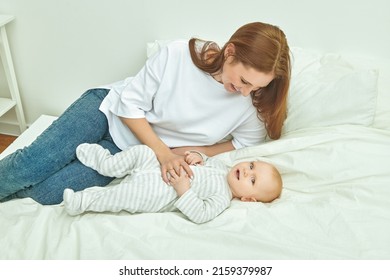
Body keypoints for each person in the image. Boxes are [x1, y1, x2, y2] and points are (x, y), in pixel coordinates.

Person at [0, 21, 291, 205]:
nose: (244, 92)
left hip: (129, 154)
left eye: (254, 87)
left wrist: (195, 151)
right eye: (243, 80)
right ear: (230, 52)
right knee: (32, 166)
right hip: (106, 112)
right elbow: (128, 105)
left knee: (48, 193)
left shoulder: (249, 107)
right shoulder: (177, 55)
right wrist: (163, 152)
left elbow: (242, 144)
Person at [63, 143, 282, 224]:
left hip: (158, 192)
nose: (246, 171)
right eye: (251, 165)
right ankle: (106, 164)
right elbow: (203, 161)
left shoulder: (222, 198)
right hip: (157, 168)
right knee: (143, 152)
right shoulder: (220, 167)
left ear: (248, 198)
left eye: (252, 180)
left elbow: (201, 214)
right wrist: (197, 157)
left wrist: (183, 190)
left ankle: (82, 202)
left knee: (120, 195)